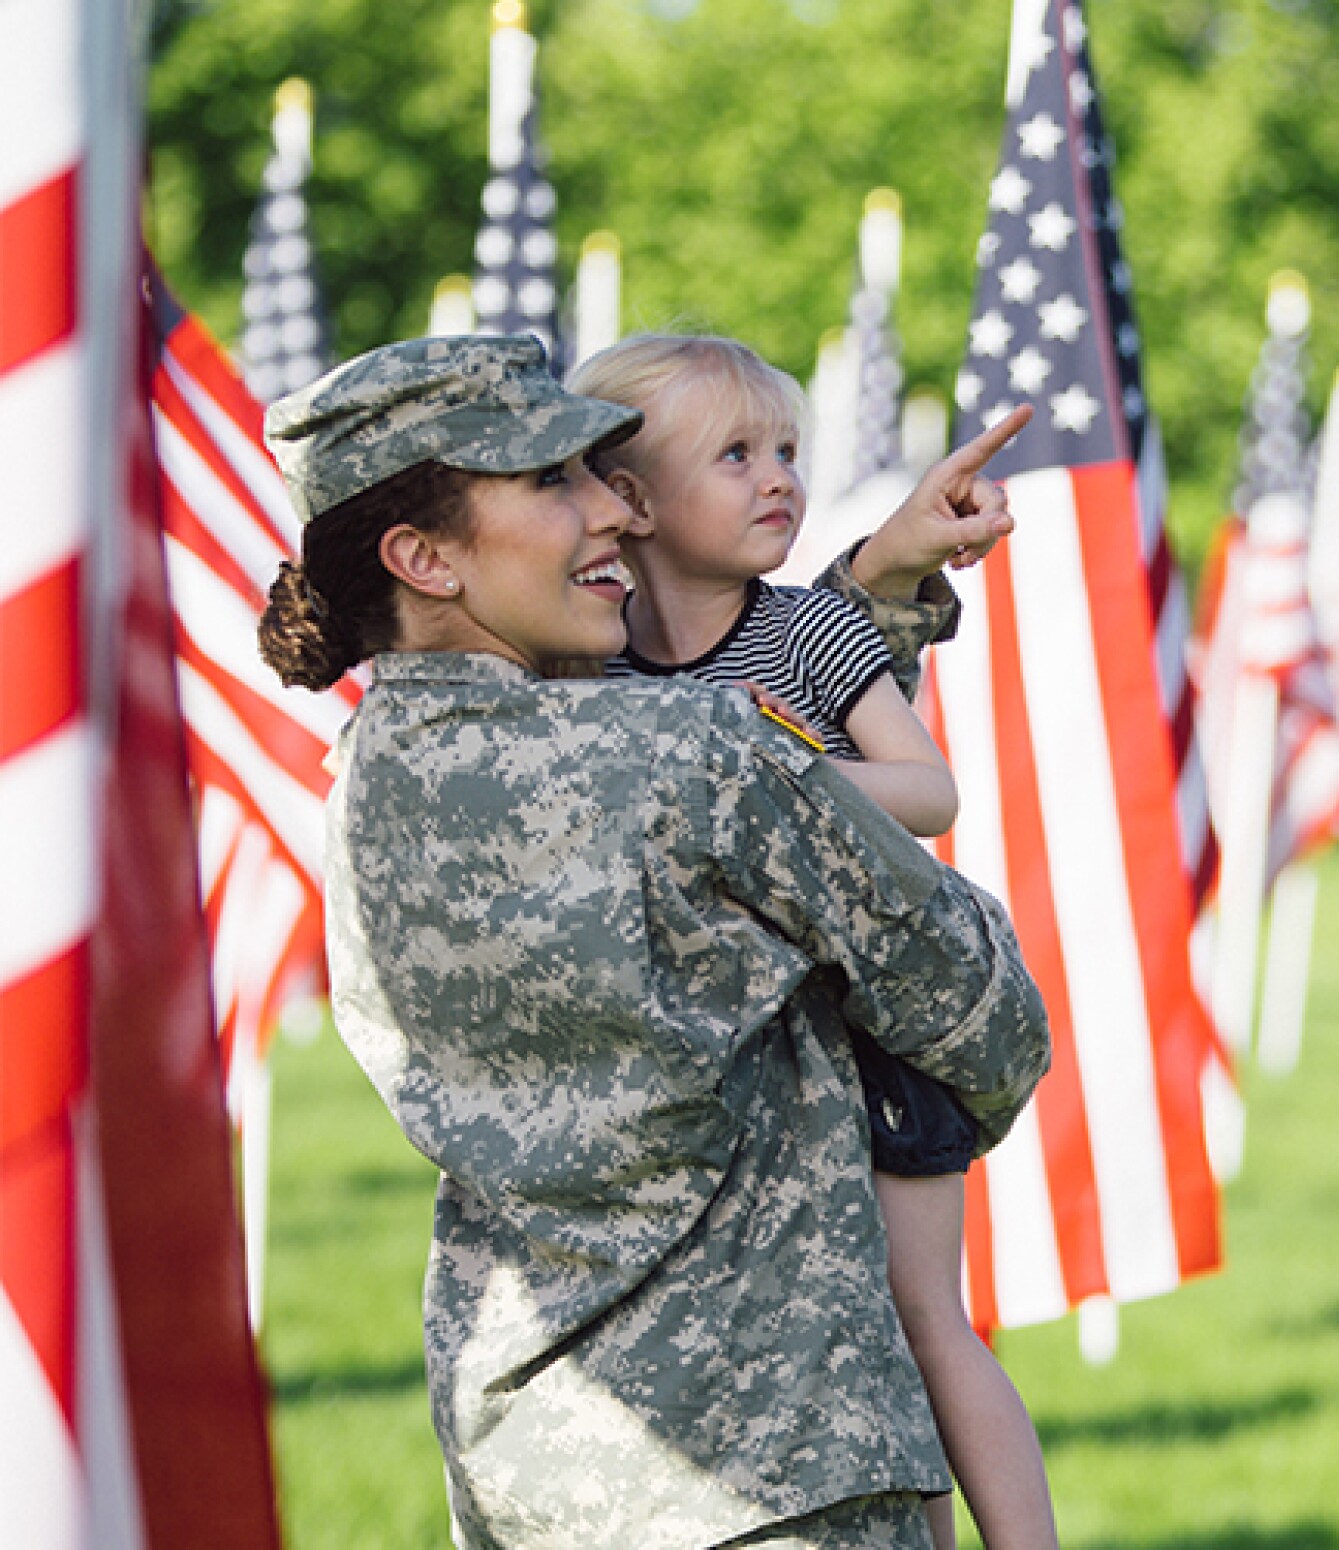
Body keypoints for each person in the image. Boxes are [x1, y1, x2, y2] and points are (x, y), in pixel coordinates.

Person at [257, 335, 1048, 1550]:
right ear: (422, 556)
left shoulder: (360, 790)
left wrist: (874, 586)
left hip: (536, 1472)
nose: (609, 515)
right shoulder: (690, 753)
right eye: (549, 483)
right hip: (782, 1468)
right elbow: (985, 1009)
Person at [569, 334, 1057, 1550]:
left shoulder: (806, 639)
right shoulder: (597, 672)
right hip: (736, 1058)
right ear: (626, 500)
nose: (778, 476)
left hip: (874, 1034)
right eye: (734, 455)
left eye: (785, 449)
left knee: (919, 1317)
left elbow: (930, 790)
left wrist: (768, 766)